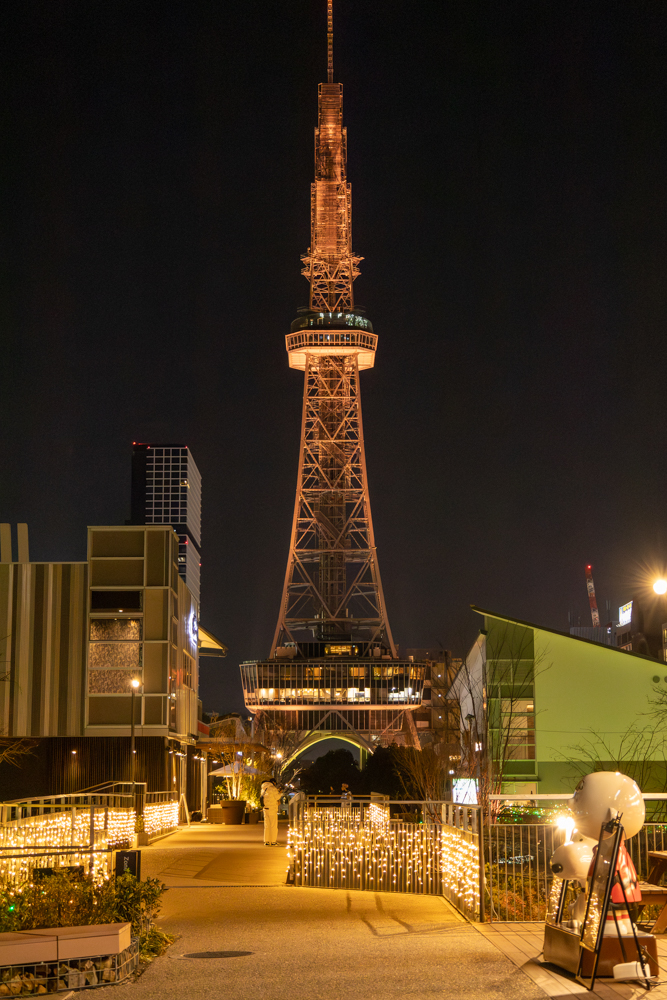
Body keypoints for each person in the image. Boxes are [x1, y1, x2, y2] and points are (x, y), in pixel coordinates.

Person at [260, 777, 282, 846]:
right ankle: (273, 841)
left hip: (265, 809)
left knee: (267, 825)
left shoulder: (263, 789)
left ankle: (266, 841)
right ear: (274, 783)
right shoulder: (273, 788)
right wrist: (280, 792)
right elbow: (277, 797)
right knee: (273, 825)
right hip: (272, 808)